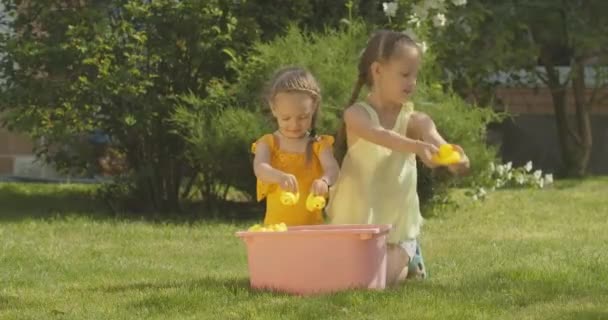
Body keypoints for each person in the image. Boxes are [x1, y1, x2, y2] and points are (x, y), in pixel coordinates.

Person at [327, 30, 470, 284]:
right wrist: (416, 146)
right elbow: (379, 135)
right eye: (405, 74)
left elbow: (438, 145)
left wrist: (456, 161)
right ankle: (404, 262)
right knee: (346, 281)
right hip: (356, 224)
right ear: (378, 71)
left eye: (415, 75)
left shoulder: (417, 120)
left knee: (374, 284)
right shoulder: (356, 115)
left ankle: (409, 253)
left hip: (397, 228)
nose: (412, 82)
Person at [252, 67, 340, 226]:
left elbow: (332, 169)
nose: (294, 124)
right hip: (277, 230)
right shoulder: (268, 143)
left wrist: (325, 181)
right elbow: (260, 168)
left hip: (312, 230)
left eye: (303, 117)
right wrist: (279, 177)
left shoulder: (318, 144)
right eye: (286, 118)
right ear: (273, 109)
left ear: (313, 107)